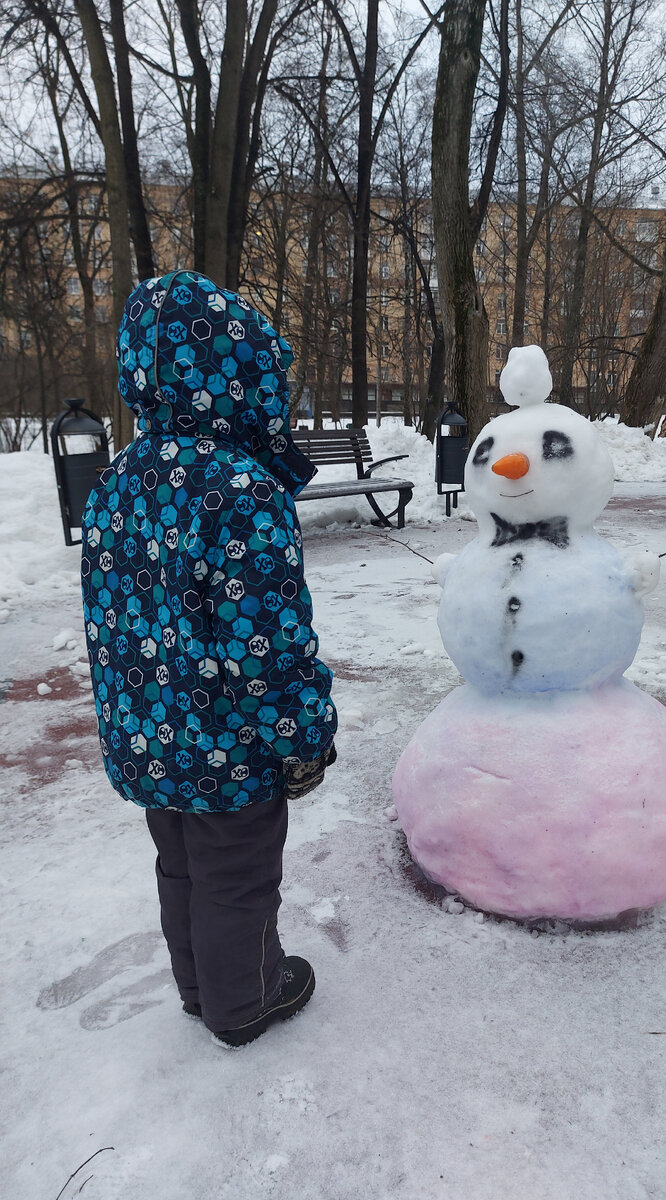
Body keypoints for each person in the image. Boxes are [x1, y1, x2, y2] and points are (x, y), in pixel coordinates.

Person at [82, 270, 337, 1047]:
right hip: (227, 742)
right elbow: (268, 643)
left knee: (182, 865)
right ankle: (244, 1002)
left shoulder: (119, 479)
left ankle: (202, 988)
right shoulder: (240, 488)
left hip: (149, 732)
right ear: (238, 377)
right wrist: (303, 737)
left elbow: (110, 617)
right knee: (236, 876)